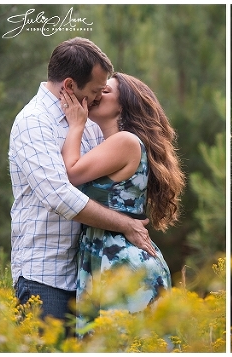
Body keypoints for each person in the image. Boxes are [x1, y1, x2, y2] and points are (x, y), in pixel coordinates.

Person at [8, 37, 155, 326]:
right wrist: (126, 223)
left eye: (104, 91)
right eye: (95, 91)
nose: (99, 97)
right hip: (45, 277)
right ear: (70, 86)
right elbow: (60, 196)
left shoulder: (87, 124)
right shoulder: (34, 122)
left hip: (86, 274)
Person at [59, 72, 185, 331]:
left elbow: (70, 174)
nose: (97, 95)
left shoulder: (125, 141)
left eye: (106, 92)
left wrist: (75, 125)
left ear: (124, 105)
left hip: (123, 264)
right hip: (109, 258)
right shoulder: (114, 144)